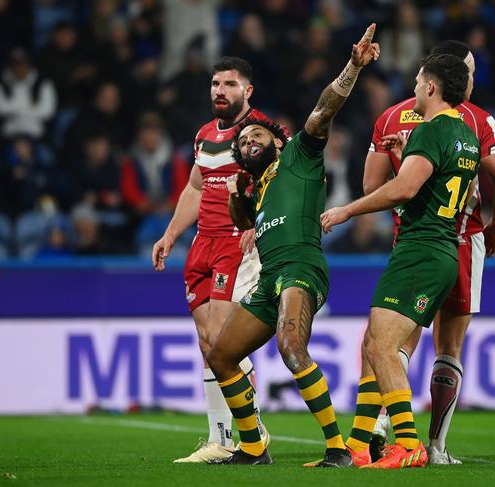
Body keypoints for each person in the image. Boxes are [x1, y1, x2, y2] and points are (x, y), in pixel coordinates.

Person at [205, 24, 380, 466]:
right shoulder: (257, 189)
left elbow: (323, 110)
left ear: (277, 142)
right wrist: (236, 196)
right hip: (269, 277)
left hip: (302, 267)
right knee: (222, 355)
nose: (248, 143)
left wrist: (352, 69)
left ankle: (338, 449)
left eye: (256, 137)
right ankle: (252, 447)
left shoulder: (299, 156)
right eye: (242, 142)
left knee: (291, 348)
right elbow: (245, 222)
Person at [321, 52, 480, 469]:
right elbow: (438, 177)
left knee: (384, 346)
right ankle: (358, 444)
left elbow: (404, 189)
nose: (412, 88)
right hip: (442, 248)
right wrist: (410, 149)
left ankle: (407, 443)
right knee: (375, 342)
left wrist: (346, 211)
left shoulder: (428, 129)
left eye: (416, 81)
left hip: (420, 249)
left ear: (431, 87)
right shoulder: (464, 133)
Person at [360, 40, 495, 465]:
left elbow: (373, 189)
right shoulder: (478, 122)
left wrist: (401, 169)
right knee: (449, 348)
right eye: (468, 71)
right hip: (463, 239)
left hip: (412, 238)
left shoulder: (393, 116)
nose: (470, 79)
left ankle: (379, 426)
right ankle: (436, 447)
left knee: (391, 340)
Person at [152, 57, 276, 463]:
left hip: (235, 241)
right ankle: (226, 435)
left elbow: (287, 181)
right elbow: (194, 187)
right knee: (209, 344)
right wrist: (171, 234)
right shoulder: (205, 135)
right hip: (201, 242)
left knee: (224, 341)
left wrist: (261, 223)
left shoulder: (263, 133)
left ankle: (238, 436)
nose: (220, 91)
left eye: (229, 84)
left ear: (247, 91)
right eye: (215, 83)